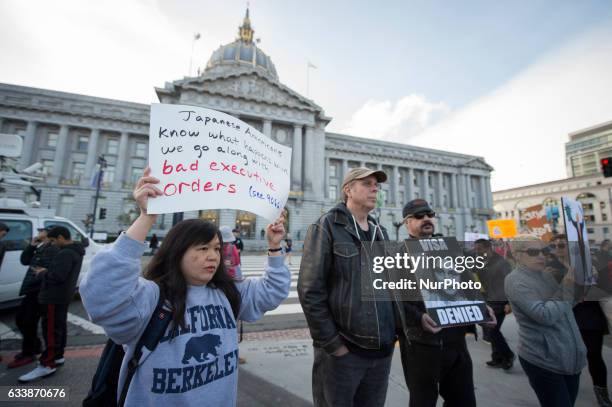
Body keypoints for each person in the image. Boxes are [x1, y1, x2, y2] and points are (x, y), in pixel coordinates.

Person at [79, 167, 290, 406]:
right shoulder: (152, 298)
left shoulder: (227, 293)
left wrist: (274, 246)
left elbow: (272, 291)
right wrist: (146, 217)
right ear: (177, 252)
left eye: (216, 249)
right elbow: (102, 295)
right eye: (202, 249)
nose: (213, 257)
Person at [298, 167, 406, 407]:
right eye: (367, 183)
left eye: (376, 184)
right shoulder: (326, 227)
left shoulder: (381, 232)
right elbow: (310, 291)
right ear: (348, 190)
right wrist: (333, 345)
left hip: (381, 351)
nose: (374, 188)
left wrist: (406, 323)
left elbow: (392, 287)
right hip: (344, 353)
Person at [398, 198, 495, 407]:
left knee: (464, 401)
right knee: (423, 401)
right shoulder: (399, 254)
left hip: (456, 341)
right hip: (422, 345)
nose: (426, 219)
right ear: (407, 222)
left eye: (430, 215)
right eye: (419, 216)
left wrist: (482, 309)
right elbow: (394, 299)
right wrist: (418, 317)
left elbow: (468, 284)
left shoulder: (451, 249)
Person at [505, 234, 587, 407]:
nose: (542, 256)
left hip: (569, 357)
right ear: (517, 255)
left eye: (544, 250)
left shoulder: (546, 275)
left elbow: (564, 306)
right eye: (533, 252)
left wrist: (581, 281)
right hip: (544, 360)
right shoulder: (515, 280)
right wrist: (567, 286)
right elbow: (545, 315)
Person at [548, 234, 611, 406]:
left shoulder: (590, 264)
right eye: (555, 246)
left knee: (594, 356)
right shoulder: (550, 267)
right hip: (563, 318)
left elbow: (605, 289)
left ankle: (602, 392)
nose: (558, 249)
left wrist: (593, 280)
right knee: (564, 356)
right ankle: (565, 392)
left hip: (589, 317)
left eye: (562, 245)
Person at [19, 226, 85, 382]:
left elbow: (57, 276)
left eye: (54, 241)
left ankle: (47, 364)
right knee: (58, 327)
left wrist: (43, 272)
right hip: (62, 297)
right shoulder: (75, 251)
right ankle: (58, 356)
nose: (53, 244)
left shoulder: (66, 253)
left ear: (61, 238)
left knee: (50, 330)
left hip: (53, 297)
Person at [8, 228, 60, 369]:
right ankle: (34, 347)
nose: (39, 233)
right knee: (22, 320)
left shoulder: (53, 248)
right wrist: (32, 245)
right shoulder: (40, 246)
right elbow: (24, 260)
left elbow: (52, 270)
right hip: (30, 289)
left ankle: (29, 352)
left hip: (39, 291)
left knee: (27, 321)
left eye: (41, 231)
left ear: (48, 234)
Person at [473, 238, 515, 370]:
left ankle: (508, 355)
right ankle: (497, 357)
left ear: (488, 248)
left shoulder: (501, 263)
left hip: (500, 301)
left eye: (479, 249)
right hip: (487, 300)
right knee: (490, 329)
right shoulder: (480, 262)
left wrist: (509, 302)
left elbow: (510, 282)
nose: (477, 252)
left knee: (493, 329)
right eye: (476, 249)